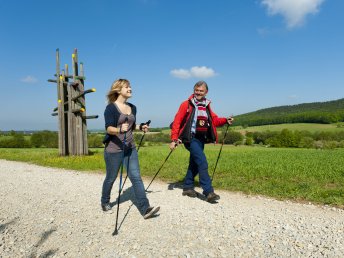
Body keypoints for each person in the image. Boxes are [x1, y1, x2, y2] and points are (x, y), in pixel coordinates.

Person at [101, 78, 160, 219]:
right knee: (111, 178)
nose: (130, 89)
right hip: (113, 149)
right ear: (118, 90)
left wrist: (141, 127)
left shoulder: (133, 107)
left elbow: (131, 126)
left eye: (130, 87)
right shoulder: (111, 108)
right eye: (127, 87)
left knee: (136, 177)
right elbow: (109, 128)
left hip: (130, 148)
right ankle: (105, 201)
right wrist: (119, 129)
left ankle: (145, 209)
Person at [169, 80, 233, 203]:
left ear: (206, 92)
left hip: (200, 139)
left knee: (194, 163)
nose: (198, 93)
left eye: (201, 91)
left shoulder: (206, 105)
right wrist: (174, 139)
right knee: (202, 162)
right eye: (196, 90)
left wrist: (225, 120)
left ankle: (187, 187)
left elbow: (214, 120)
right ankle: (208, 192)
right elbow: (177, 121)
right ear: (194, 91)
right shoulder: (186, 104)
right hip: (189, 138)